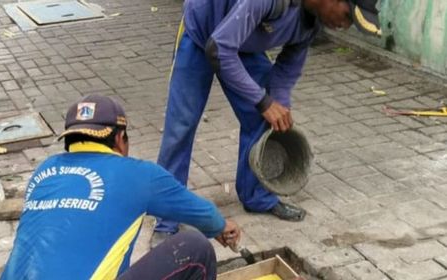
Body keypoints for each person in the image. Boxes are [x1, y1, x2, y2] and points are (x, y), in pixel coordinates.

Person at [153, 0, 381, 243]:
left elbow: (287, 68)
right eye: (347, 16)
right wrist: (263, 101)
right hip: (202, 34)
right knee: (181, 127)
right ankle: (167, 220)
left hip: (241, 43)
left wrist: (278, 103)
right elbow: (218, 48)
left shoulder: (312, 22)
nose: (345, 26)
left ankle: (257, 197)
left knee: (265, 118)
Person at [1, 94, 240, 280]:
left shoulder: (45, 169)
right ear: (119, 138)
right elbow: (204, 215)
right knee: (195, 247)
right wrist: (221, 226)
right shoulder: (139, 174)